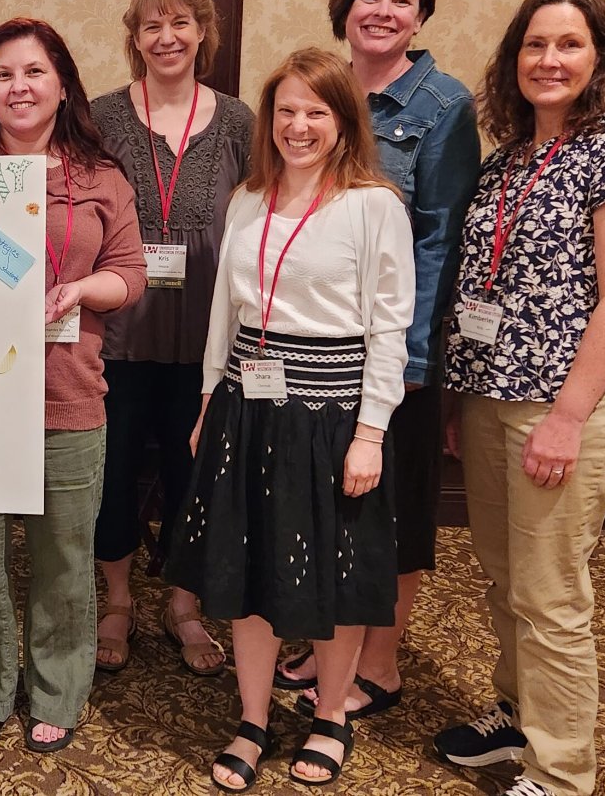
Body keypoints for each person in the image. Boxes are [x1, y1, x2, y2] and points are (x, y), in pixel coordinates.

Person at [435, 0, 605, 796]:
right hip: (495, 397)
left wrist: (567, 419)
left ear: (600, 58)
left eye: (568, 44)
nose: (549, 60)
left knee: (553, 594)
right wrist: (467, 400)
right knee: (506, 577)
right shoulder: (511, 161)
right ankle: (517, 715)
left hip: (567, 407)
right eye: (535, 45)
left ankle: (564, 772)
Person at [164, 48, 414, 789]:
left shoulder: (373, 205)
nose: (298, 126)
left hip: (332, 416)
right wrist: (211, 399)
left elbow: (391, 328)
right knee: (247, 571)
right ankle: (253, 717)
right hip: (248, 407)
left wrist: (371, 433)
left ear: (343, 122)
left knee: (334, 577)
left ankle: (331, 715)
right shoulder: (249, 198)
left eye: (316, 112)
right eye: (286, 111)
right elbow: (225, 313)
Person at [277, 0, 479, 719]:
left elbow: (439, 238)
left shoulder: (443, 105)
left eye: (402, 0)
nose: (383, 11)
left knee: (393, 508)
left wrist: (414, 359)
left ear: (421, 16)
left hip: (398, 349)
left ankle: (382, 662)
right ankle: (336, 644)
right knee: (337, 503)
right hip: (318, 346)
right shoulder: (322, 90)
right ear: (346, 4)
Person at [0, 18, 146, 753]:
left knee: (64, 554)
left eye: (32, 72)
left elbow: (133, 275)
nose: (18, 87)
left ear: (62, 84)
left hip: (69, 393)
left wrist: (85, 287)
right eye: (2, 74)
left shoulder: (101, 176)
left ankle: (58, 687)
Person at [89, 0, 253, 676]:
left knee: (195, 474)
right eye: (151, 25)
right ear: (135, 38)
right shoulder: (99, 116)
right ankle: (117, 600)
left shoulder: (241, 120)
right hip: (117, 334)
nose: (167, 36)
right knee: (113, 472)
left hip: (206, 337)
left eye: (181, 22)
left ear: (203, 33)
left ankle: (183, 603)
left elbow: (262, 216)